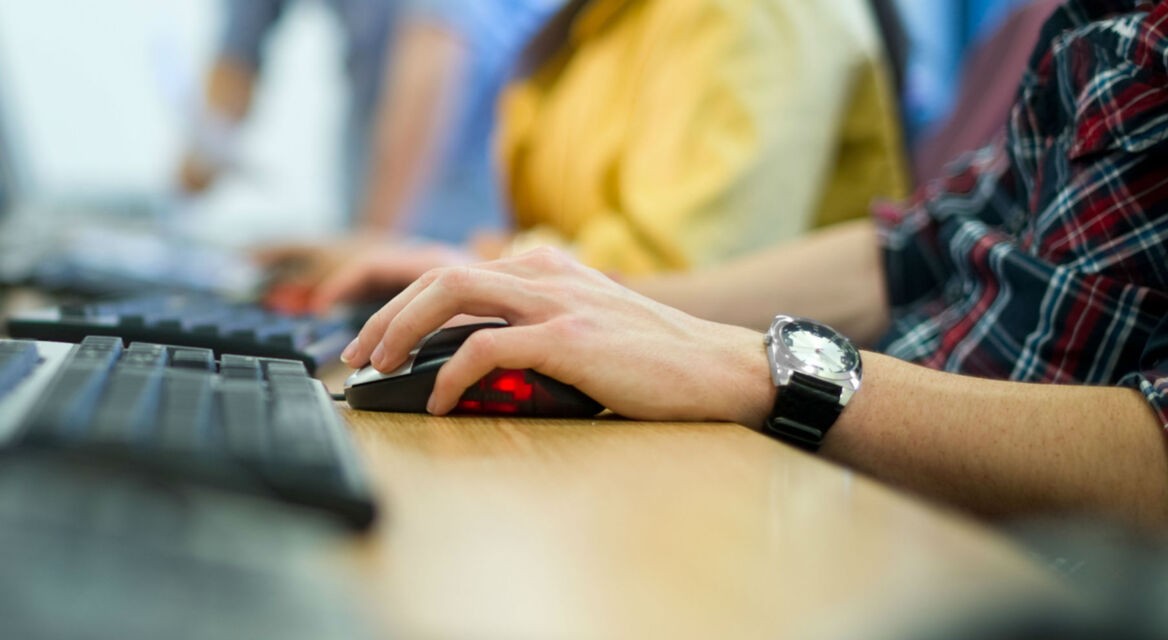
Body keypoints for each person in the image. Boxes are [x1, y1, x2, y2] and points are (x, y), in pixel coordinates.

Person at [336, 0, 1168, 531]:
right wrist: (552, 294)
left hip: (1010, 563)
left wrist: (761, 369)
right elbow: (913, 250)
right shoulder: (1097, 18)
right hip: (868, 496)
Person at [262, 0, 911, 299]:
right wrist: (434, 265)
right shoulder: (595, 23)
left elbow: (678, 283)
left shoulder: (755, 12)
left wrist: (463, 271)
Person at [179, 0, 558, 243]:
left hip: (458, 216)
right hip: (373, 205)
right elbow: (237, 57)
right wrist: (203, 156)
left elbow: (433, 58)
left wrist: (374, 241)